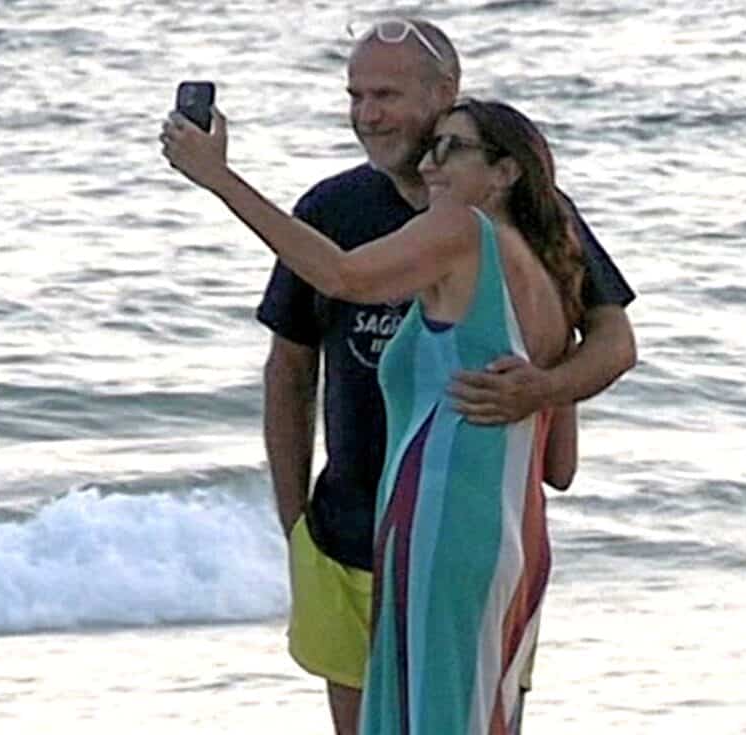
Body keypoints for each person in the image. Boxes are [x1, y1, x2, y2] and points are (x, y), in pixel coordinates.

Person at [168, 18, 635, 734]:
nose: (368, 113)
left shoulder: (477, 225)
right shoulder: (350, 208)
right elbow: (290, 369)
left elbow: (343, 274)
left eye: (387, 93)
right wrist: (296, 520)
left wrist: (218, 176)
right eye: (355, 94)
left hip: (440, 528)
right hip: (381, 528)